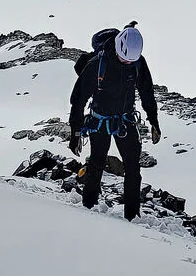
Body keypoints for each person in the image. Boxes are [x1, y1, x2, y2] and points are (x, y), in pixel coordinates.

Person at [68, 24, 161, 221]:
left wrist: (154, 121)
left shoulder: (137, 63)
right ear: (117, 47)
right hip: (99, 120)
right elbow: (78, 99)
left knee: (133, 167)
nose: (126, 62)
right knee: (97, 162)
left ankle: (132, 216)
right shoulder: (97, 64)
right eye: (123, 58)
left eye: (130, 60)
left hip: (124, 120)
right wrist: (75, 133)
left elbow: (146, 92)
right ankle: (88, 207)